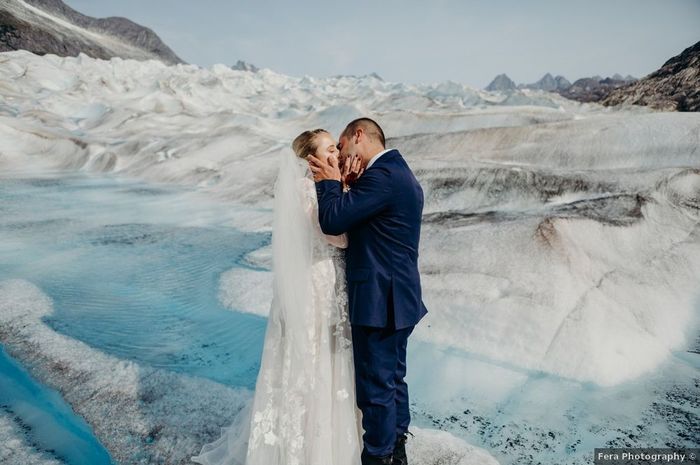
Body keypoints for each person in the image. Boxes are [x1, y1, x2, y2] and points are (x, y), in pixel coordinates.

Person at [191, 129, 365, 465]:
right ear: (310, 160)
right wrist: (349, 195)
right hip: (316, 287)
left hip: (322, 282)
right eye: (330, 149)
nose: (337, 155)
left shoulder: (318, 187)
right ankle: (311, 450)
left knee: (320, 359)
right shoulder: (308, 190)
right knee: (315, 360)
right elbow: (338, 238)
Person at [308, 118, 428, 465]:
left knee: (375, 391)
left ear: (358, 136)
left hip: (380, 301)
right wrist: (349, 185)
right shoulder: (395, 172)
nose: (341, 156)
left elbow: (332, 220)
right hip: (398, 298)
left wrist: (329, 181)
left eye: (341, 147)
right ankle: (397, 449)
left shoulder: (383, 176)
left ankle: (379, 457)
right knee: (393, 380)